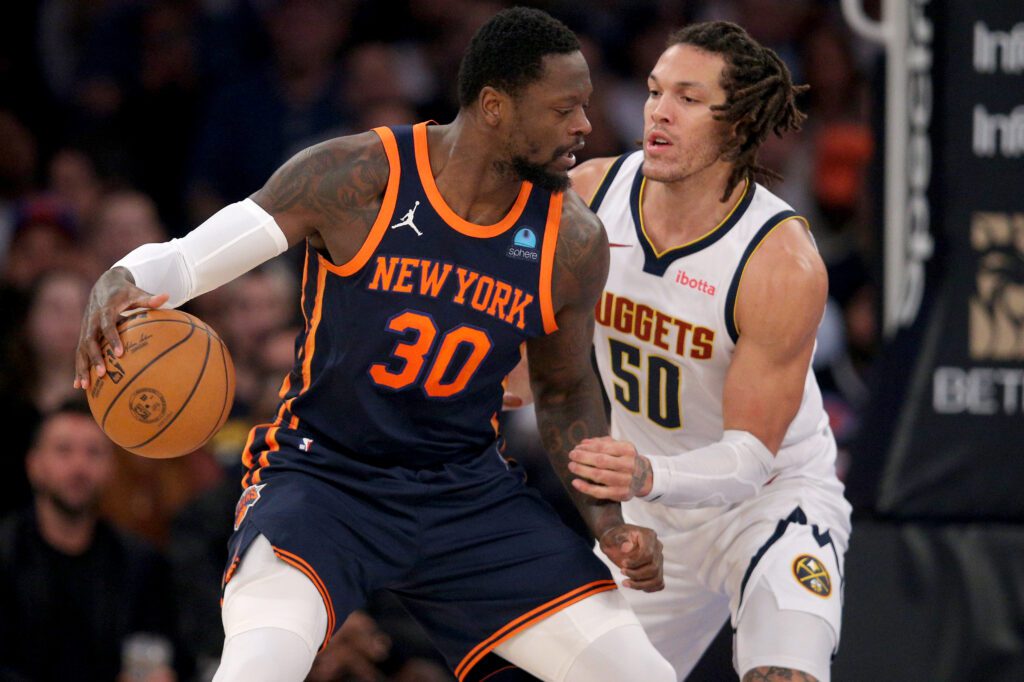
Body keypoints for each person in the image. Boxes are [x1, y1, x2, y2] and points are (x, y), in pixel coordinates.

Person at [75, 8, 676, 682]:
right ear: (495, 107)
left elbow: (565, 390)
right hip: (325, 478)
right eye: (565, 108)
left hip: (466, 493)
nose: (584, 128)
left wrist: (607, 522)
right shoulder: (357, 176)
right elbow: (191, 261)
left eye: (587, 107)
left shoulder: (573, 240)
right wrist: (124, 276)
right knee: (255, 669)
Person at [564, 21, 852, 682]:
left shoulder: (781, 261)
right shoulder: (588, 197)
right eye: (656, 90)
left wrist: (644, 474)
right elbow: (524, 359)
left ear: (739, 123)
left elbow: (749, 460)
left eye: (689, 99)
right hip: (650, 518)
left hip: (769, 502)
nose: (659, 110)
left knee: (783, 676)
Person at [0, 399, 181, 682]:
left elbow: (166, 652)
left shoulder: (141, 563)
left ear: (110, 467)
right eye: (63, 451)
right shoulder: (7, 553)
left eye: (93, 452)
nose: (79, 465)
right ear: (34, 465)